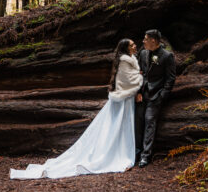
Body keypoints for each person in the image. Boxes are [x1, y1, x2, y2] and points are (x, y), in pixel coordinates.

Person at [10, 38, 142, 179]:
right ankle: (117, 155)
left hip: (126, 99)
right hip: (122, 100)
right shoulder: (124, 61)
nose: (135, 46)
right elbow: (128, 80)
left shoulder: (131, 59)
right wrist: (141, 78)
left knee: (122, 127)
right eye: (132, 45)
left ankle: (122, 152)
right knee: (117, 127)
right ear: (126, 49)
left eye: (134, 44)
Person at [135, 29, 176, 167]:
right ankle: (136, 151)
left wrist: (162, 95)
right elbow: (139, 73)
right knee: (138, 121)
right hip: (142, 94)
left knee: (149, 122)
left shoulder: (167, 56)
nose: (143, 41)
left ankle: (145, 155)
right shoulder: (143, 53)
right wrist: (137, 92)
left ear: (153, 40)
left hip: (156, 95)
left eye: (146, 39)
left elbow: (170, 79)